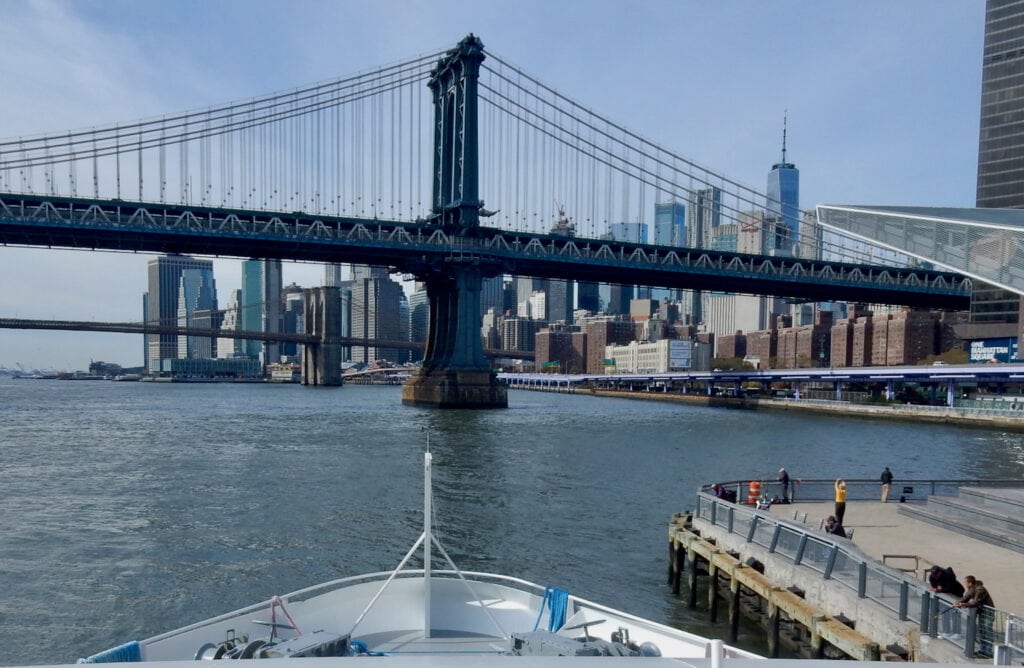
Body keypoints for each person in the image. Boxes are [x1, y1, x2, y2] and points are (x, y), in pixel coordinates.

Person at [955, 575, 995, 656]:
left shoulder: (980, 589)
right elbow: (966, 597)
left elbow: (975, 602)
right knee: (982, 631)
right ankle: (983, 650)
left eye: (965, 582)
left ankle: (988, 652)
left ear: (970, 583)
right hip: (982, 612)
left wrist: (963, 604)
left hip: (988, 613)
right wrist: (958, 602)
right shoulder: (972, 589)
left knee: (987, 631)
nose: (964, 584)